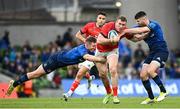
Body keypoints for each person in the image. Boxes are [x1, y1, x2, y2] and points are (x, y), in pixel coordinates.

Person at [6, 37, 106, 96]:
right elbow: (88, 57)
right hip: (56, 60)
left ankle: (89, 77)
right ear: (87, 44)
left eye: (95, 45)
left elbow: (91, 59)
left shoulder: (89, 50)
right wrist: (101, 59)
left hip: (65, 63)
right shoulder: (83, 50)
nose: (94, 47)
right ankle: (14, 84)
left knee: (80, 67)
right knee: (36, 74)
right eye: (93, 45)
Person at [63, 12, 112, 102]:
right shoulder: (89, 25)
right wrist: (87, 42)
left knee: (103, 75)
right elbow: (78, 35)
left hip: (97, 54)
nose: (101, 20)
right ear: (97, 19)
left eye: (103, 19)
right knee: (78, 71)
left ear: (105, 21)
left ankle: (109, 92)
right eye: (100, 18)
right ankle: (70, 93)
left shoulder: (107, 30)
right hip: (85, 52)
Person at [123, 11, 169, 104]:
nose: (137, 23)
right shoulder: (139, 27)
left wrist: (125, 31)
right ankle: (151, 98)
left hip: (161, 51)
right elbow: (136, 39)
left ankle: (164, 91)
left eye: (138, 21)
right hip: (152, 52)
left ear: (144, 19)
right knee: (143, 75)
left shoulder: (154, 25)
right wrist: (127, 35)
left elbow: (140, 31)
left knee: (150, 71)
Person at [95, 16, 132, 104]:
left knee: (113, 69)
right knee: (102, 74)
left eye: (123, 25)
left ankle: (115, 95)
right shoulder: (108, 26)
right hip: (100, 51)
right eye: (119, 24)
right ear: (115, 22)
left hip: (112, 51)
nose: (121, 26)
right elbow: (99, 41)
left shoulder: (124, 30)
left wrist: (143, 35)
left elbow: (134, 38)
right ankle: (108, 93)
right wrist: (112, 40)